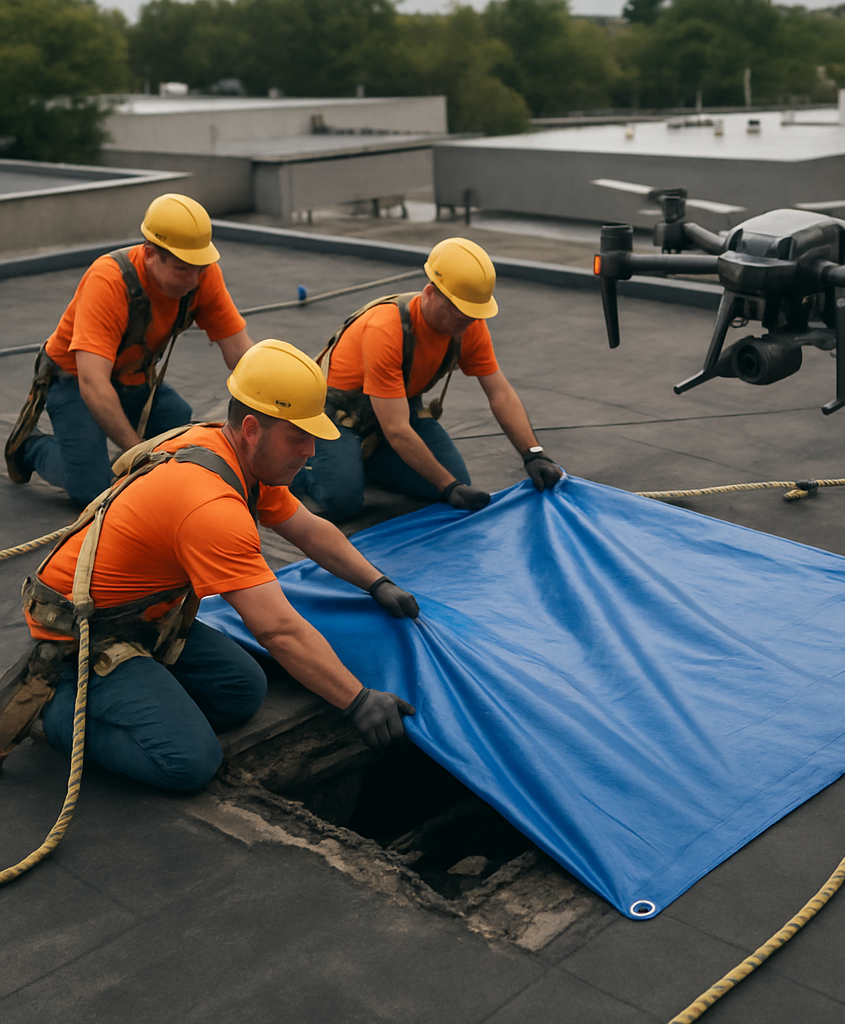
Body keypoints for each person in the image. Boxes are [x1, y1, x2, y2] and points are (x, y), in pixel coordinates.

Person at [7, 340, 418, 791]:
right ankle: (54, 708)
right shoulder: (210, 505)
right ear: (252, 429)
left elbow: (310, 529)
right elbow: (277, 630)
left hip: (143, 617)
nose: (312, 452)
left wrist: (377, 582)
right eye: (299, 437)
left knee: (241, 691)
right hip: (83, 631)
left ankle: (133, 689)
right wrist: (357, 700)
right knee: (189, 761)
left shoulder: (234, 456)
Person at [5, 193, 254, 507]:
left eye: (200, 268)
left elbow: (241, 355)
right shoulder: (108, 280)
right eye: (181, 269)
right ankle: (30, 448)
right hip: (74, 382)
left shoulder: (203, 276)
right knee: (93, 489)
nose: (193, 279)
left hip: (134, 378)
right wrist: (138, 453)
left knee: (177, 420)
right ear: (150, 254)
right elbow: (93, 385)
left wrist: (280, 396)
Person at [291, 236, 563, 520]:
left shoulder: (469, 324)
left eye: (474, 313)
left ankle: (360, 462)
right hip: (338, 418)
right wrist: (448, 488)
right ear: (430, 293)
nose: (467, 321)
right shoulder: (386, 328)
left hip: (393, 410)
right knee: (342, 500)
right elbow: (396, 428)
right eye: (459, 311)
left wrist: (533, 453)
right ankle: (298, 463)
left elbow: (500, 393)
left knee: (454, 476)